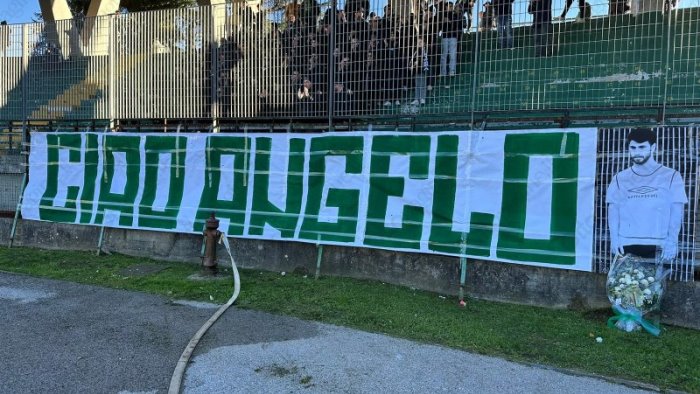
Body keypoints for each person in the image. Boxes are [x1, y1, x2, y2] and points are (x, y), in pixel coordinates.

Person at [606, 128, 688, 261]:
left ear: (653, 147)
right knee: (625, 281)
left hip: (659, 244)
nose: (637, 152)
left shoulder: (671, 176)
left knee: (654, 281)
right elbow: (613, 211)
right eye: (633, 147)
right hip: (626, 243)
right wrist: (614, 239)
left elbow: (676, 212)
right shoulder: (619, 178)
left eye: (642, 147)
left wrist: (672, 242)